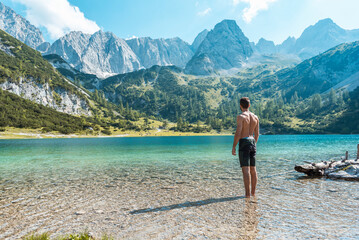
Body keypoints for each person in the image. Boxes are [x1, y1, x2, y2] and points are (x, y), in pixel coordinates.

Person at [232, 97, 259, 198]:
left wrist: (234, 146)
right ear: (249, 105)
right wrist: (254, 144)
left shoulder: (241, 117)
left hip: (244, 142)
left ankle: (247, 195)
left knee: (246, 170)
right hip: (252, 142)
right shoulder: (255, 117)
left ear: (240, 105)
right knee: (253, 169)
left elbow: (238, 132)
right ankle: (253, 193)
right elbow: (257, 133)